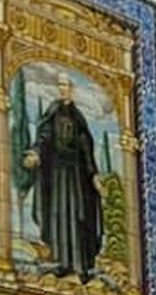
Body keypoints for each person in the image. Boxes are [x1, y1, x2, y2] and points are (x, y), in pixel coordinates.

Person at [25, 75, 104, 280]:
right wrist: (36, 153)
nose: (62, 89)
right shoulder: (53, 111)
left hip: (76, 176)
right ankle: (62, 262)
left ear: (72, 89)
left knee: (78, 216)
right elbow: (44, 136)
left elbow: (86, 148)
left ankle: (81, 265)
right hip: (58, 174)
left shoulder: (78, 118)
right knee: (59, 215)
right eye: (59, 85)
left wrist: (93, 175)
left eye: (66, 85)